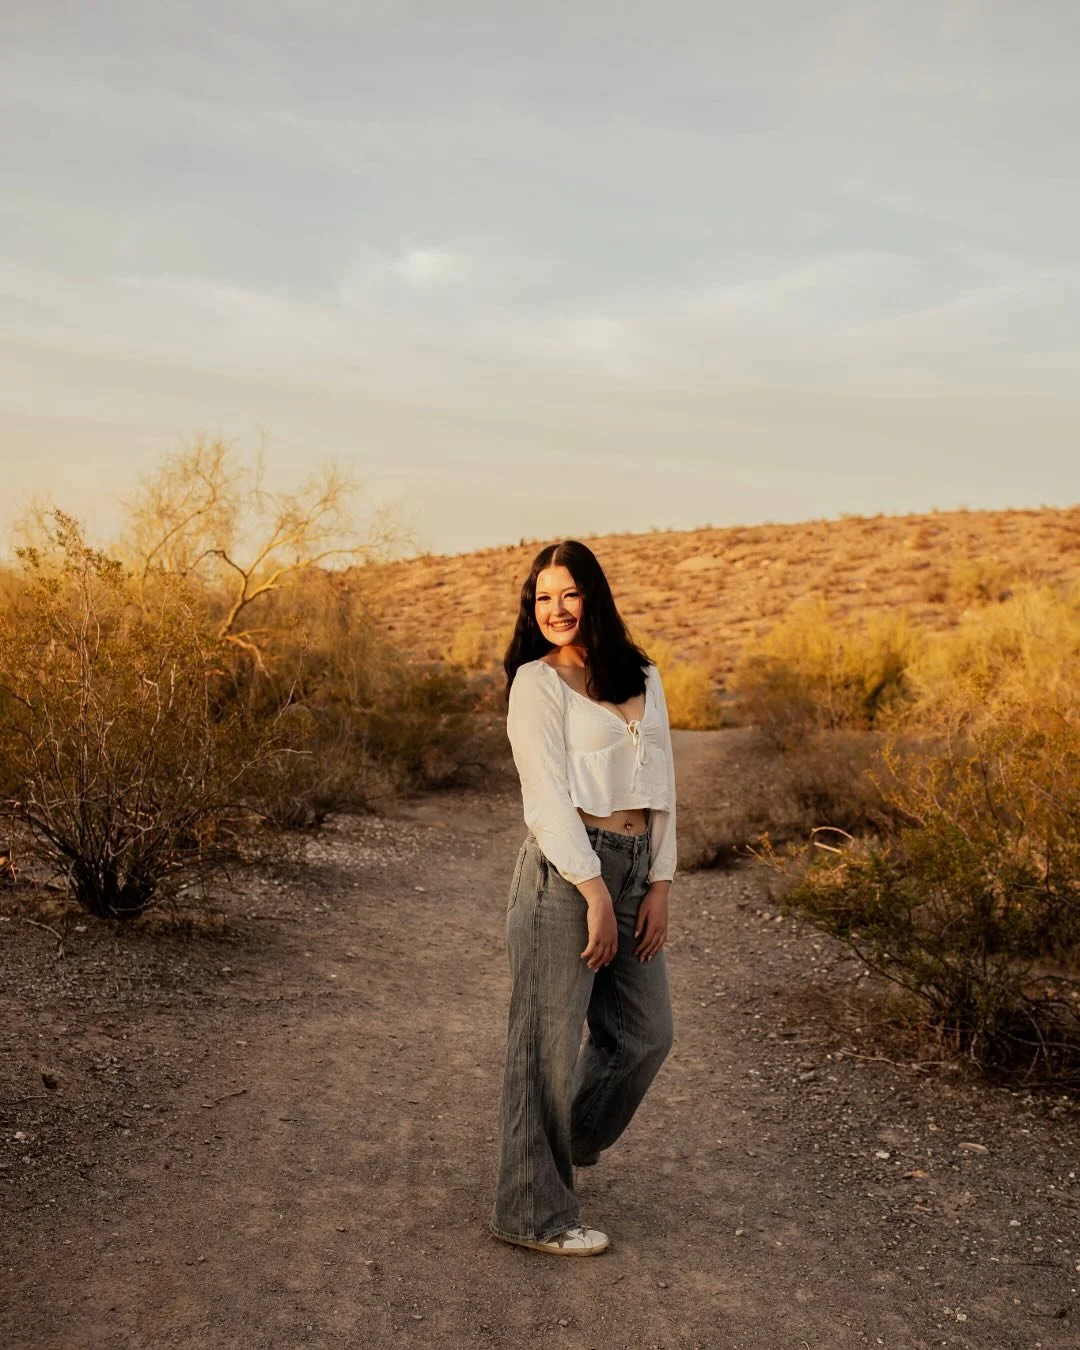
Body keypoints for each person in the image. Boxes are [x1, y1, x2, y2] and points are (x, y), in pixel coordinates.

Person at [489, 539, 676, 1256]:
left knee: (645, 1035)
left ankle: (557, 1152)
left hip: (633, 868)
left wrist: (659, 881)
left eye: (568, 594)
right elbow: (544, 796)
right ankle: (530, 1211)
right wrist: (593, 888)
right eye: (542, 598)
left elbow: (664, 786)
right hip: (566, 873)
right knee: (545, 1043)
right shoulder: (535, 683)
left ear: (593, 595)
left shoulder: (643, 674)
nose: (556, 610)